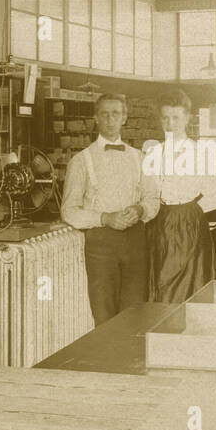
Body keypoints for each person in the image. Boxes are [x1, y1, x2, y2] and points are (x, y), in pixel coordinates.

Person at [61, 93, 160, 325]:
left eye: (116, 113)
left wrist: (139, 210)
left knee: (135, 312)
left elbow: (153, 199)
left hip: (136, 242)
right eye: (104, 114)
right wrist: (105, 218)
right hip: (100, 245)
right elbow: (69, 211)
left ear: (124, 118)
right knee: (104, 314)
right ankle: (107, 362)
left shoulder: (140, 158)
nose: (110, 119)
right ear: (96, 118)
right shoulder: (81, 161)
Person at [147, 89, 216, 302]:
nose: (170, 124)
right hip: (159, 223)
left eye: (176, 118)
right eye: (165, 118)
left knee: (193, 283)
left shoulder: (203, 153)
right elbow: (147, 192)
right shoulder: (152, 153)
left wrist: (190, 213)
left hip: (191, 224)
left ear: (187, 118)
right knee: (161, 281)